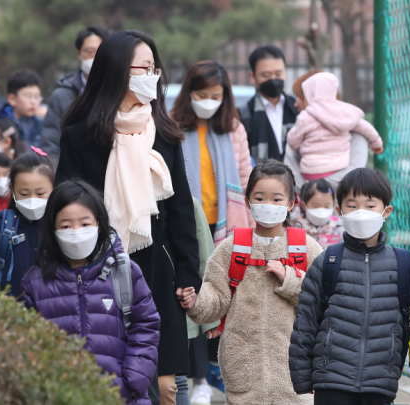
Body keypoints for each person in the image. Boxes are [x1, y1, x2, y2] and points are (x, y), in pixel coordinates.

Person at [56, 30, 203, 405]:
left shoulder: (164, 134)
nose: (151, 76)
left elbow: (181, 209)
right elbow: (66, 206)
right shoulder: (80, 134)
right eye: (143, 67)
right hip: (98, 271)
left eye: (155, 68)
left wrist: (188, 273)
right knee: (106, 376)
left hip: (158, 269)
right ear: (118, 70)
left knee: (167, 386)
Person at [185, 160, 323, 405]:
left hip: (295, 379)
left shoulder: (307, 249)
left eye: (277, 199)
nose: (267, 205)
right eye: (259, 198)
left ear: (291, 203)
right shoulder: (231, 247)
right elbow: (216, 297)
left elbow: (322, 301)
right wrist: (196, 301)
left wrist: (289, 279)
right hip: (243, 375)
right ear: (248, 201)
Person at [22, 179, 161, 405]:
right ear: (52, 228)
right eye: (66, 226)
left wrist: (131, 382)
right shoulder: (35, 282)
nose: (76, 232)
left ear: (99, 223)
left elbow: (146, 325)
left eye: (85, 224)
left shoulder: (125, 270)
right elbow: (28, 345)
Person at [290, 168, 410, 405]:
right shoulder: (327, 260)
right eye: (352, 205)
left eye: (370, 206)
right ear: (339, 211)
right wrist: (302, 378)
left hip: (381, 381)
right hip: (330, 382)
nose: (361, 212)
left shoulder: (403, 263)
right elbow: (305, 323)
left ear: (386, 211)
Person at [172, 60, 253, 245]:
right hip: (184, 222)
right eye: (202, 95)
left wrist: (252, 226)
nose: (208, 102)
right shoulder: (171, 128)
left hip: (225, 221)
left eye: (216, 96)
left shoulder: (233, 129)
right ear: (189, 93)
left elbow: (245, 181)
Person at [0, 148, 54, 297]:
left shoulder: (61, 226)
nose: (32, 200)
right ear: (12, 190)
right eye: (24, 194)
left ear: (54, 188)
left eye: (40, 193)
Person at [286, 72, 383, 183]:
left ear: (309, 95)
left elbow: (293, 142)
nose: (295, 103)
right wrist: (376, 142)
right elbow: (365, 127)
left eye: (301, 95)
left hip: (310, 172)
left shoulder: (306, 117)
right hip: (339, 167)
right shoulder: (345, 115)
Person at [40, 26, 109, 163]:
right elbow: (51, 142)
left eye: (100, 51)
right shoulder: (61, 96)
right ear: (79, 54)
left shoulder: (119, 90)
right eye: (89, 51)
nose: (95, 56)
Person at [176, 197, 220, 405]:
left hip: (176, 302)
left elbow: (205, 258)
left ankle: (202, 383)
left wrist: (210, 316)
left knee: (177, 379)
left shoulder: (187, 201)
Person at [239, 45, 298, 164]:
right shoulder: (243, 114)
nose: (273, 79)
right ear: (253, 77)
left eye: (278, 73)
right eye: (265, 75)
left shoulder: (297, 108)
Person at [0, 69, 43, 148]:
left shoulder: (43, 125)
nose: (33, 102)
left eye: (37, 97)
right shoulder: (0, 126)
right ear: (12, 99)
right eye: (28, 96)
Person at [293, 178, 344, 248]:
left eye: (326, 206)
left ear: (333, 204)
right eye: (316, 206)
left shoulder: (341, 230)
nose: (321, 211)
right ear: (304, 206)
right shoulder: (297, 230)